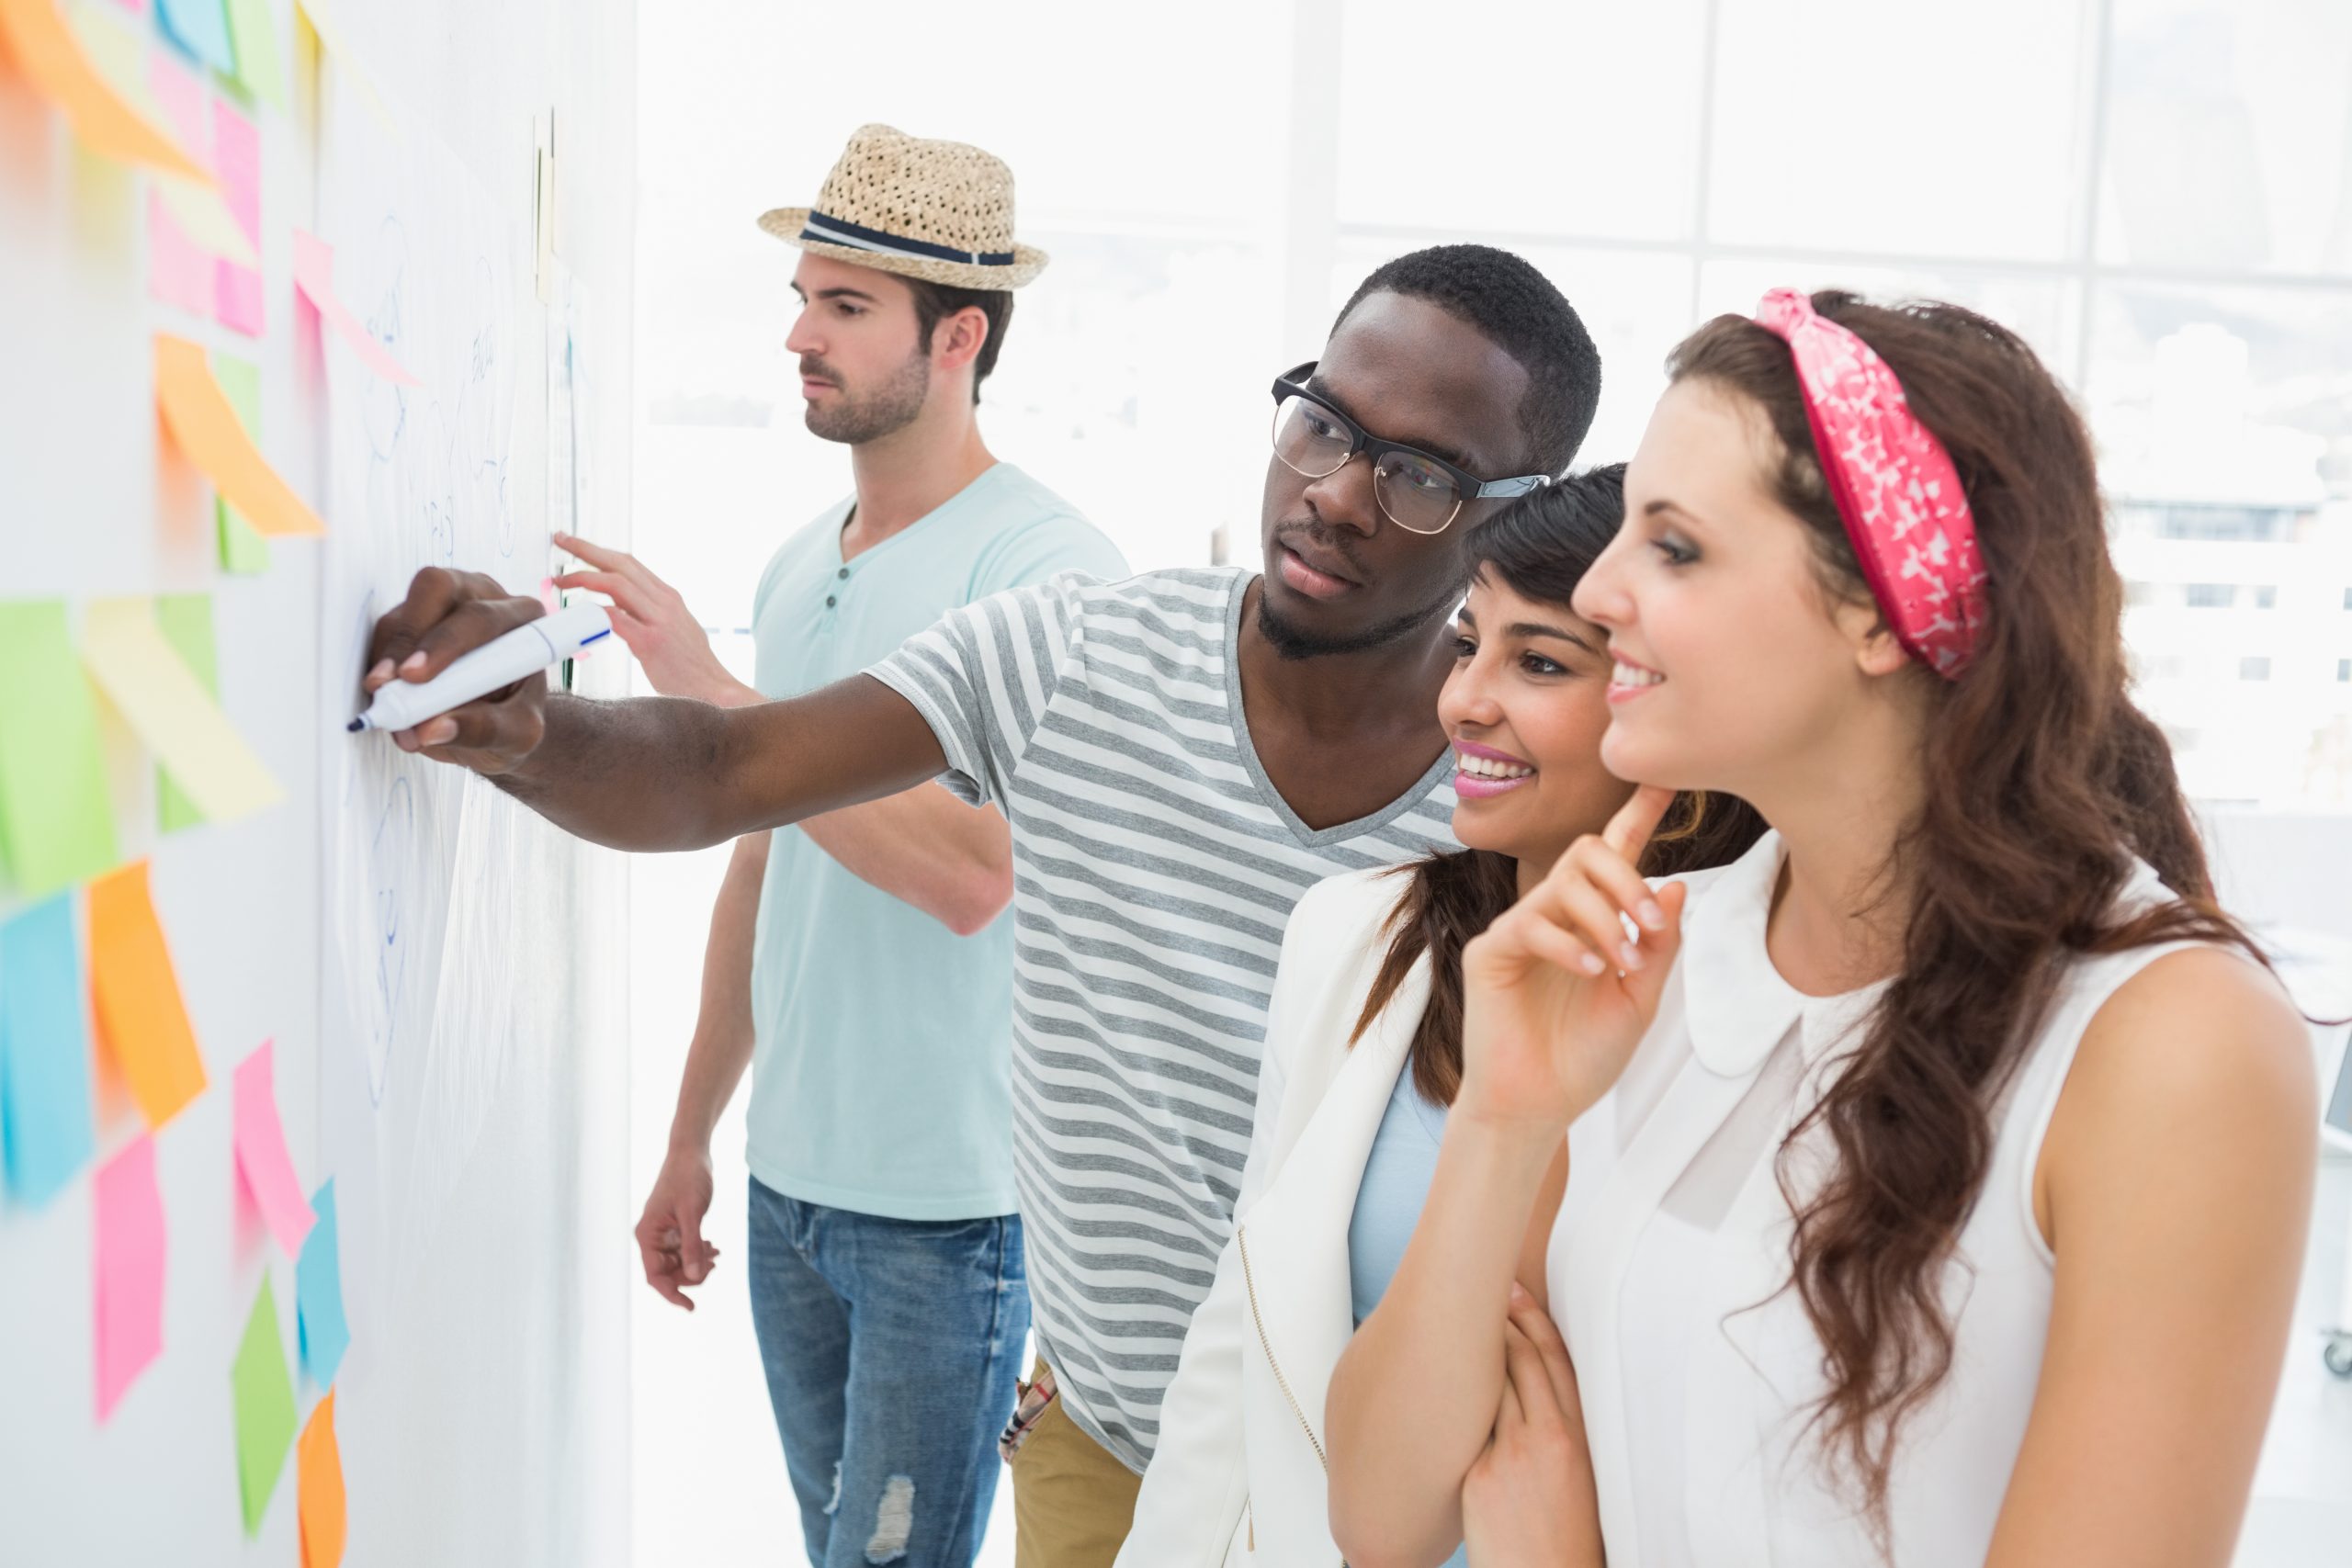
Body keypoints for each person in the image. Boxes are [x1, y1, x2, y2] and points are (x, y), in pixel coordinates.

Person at [356, 245, 1605, 1567]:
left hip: (1390, 1494)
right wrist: (530, 728)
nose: (1339, 493)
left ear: (1515, 515)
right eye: (1323, 424)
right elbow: (726, 767)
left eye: (1421, 476)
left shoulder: (1521, 786)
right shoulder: (1072, 654)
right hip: (1106, 1445)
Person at [1324, 290, 2319, 1568]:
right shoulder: (1660, 956)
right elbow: (1383, 1512)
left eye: (1673, 547)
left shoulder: (2171, 1041)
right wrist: (1505, 1115)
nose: (1604, 589)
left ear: (1875, 608)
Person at [559, 124, 1126, 1568]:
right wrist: (692, 1132)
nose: (798, 334)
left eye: (845, 307)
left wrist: (715, 694)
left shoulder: (1046, 573)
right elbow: (766, 844)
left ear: (960, 338)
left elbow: (971, 875)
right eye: (805, 296)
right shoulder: (802, 560)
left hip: (950, 1216)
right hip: (789, 1183)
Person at [1114, 468, 1764, 1566]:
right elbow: (1241, 1347)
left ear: (1682, 703)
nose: (1463, 699)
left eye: (1540, 662)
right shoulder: (1357, 936)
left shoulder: (1759, 1018)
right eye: (1469, 643)